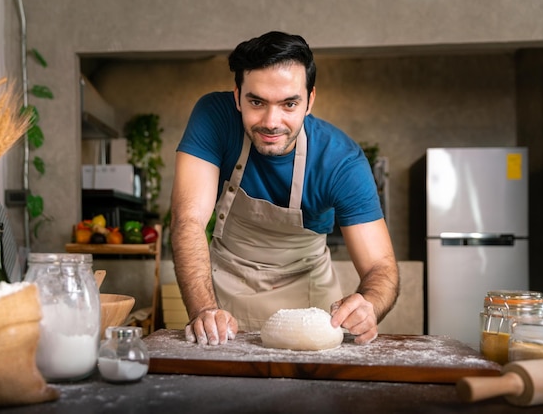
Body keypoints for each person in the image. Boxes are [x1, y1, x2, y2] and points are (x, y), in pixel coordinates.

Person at [170, 31, 399, 346]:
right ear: (237, 97)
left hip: (309, 301)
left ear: (309, 100)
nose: (271, 121)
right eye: (256, 102)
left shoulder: (340, 160)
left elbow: (380, 266)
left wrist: (369, 303)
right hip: (223, 299)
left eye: (289, 103)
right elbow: (188, 219)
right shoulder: (215, 117)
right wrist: (204, 310)